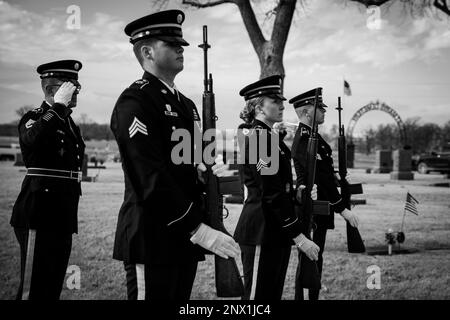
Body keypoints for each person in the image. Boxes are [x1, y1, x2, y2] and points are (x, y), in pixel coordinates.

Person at [110, 10, 240, 300]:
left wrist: (209, 169)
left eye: (180, 43)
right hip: (153, 236)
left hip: (183, 237)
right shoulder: (135, 101)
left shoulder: (188, 105)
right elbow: (149, 177)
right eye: (171, 44)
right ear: (147, 51)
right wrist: (199, 229)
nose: (181, 48)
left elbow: (196, 159)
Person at [234, 75, 319, 300]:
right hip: (262, 229)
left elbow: (281, 186)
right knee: (257, 300)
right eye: (275, 101)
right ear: (258, 107)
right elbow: (270, 193)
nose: (282, 105)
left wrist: (300, 193)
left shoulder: (271, 138)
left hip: (275, 230)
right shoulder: (260, 138)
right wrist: (299, 236)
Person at [10, 60, 85, 300]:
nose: (76, 93)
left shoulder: (69, 122)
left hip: (63, 212)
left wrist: (61, 112)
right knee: (33, 290)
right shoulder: (35, 116)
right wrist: (58, 108)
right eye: (71, 88)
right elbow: (32, 140)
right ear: (53, 90)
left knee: (51, 287)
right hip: (39, 210)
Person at [289, 88, 360, 300]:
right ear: (307, 111)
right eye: (319, 107)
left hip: (321, 205)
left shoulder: (314, 137)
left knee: (316, 256)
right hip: (312, 207)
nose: (324, 111)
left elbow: (326, 174)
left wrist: (339, 179)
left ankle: (313, 296)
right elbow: (319, 178)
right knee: (310, 257)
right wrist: (342, 208)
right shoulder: (303, 139)